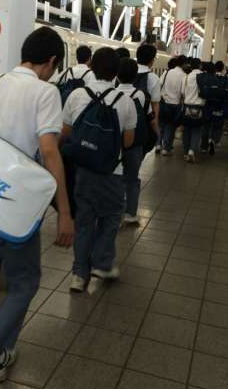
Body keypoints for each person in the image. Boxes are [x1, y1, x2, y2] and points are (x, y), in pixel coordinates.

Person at [0, 27, 75, 389]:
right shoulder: (45, 92)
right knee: (25, 281)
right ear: (51, 61)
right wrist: (65, 211)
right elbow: (50, 151)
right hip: (16, 203)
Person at [61, 48, 136, 293]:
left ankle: (78, 275)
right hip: (112, 172)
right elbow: (127, 142)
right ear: (116, 72)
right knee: (111, 217)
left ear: (91, 67)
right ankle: (102, 263)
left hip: (83, 171)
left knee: (84, 222)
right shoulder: (125, 101)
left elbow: (66, 134)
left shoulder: (77, 95)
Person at [118, 58, 149, 223]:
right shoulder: (140, 95)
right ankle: (130, 213)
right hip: (135, 143)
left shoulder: (113, 93)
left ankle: (117, 210)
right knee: (132, 178)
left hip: (116, 142)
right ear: (135, 75)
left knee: (116, 177)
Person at [158, 54, 186, 155]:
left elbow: (160, 83)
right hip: (175, 104)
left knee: (161, 124)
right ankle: (166, 148)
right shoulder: (183, 75)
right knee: (170, 126)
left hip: (164, 102)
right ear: (184, 64)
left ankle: (158, 144)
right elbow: (183, 92)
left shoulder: (168, 72)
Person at [135, 43, 161, 140]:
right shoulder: (153, 78)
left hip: (123, 118)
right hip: (143, 121)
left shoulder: (127, 72)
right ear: (152, 60)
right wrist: (155, 127)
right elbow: (155, 104)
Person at [181, 58, 205, 163]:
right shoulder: (203, 76)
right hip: (199, 107)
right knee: (197, 130)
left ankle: (186, 152)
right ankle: (192, 150)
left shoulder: (186, 77)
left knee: (187, 129)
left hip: (187, 107)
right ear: (200, 65)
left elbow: (182, 92)